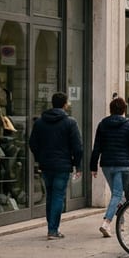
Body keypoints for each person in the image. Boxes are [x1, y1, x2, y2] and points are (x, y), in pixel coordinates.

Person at [28, 92, 83, 240]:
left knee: (50, 195)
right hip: (63, 165)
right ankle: (53, 230)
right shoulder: (70, 122)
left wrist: (40, 158)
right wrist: (77, 165)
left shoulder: (40, 122)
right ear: (64, 104)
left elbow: (32, 143)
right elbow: (77, 146)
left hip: (46, 165)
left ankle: (51, 227)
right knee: (58, 196)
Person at [89, 96, 129, 238]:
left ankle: (121, 223)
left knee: (118, 194)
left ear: (111, 110)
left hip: (107, 165)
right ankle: (106, 223)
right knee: (118, 194)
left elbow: (97, 147)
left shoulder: (103, 124)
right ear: (124, 110)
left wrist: (93, 166)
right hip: (123, 165)